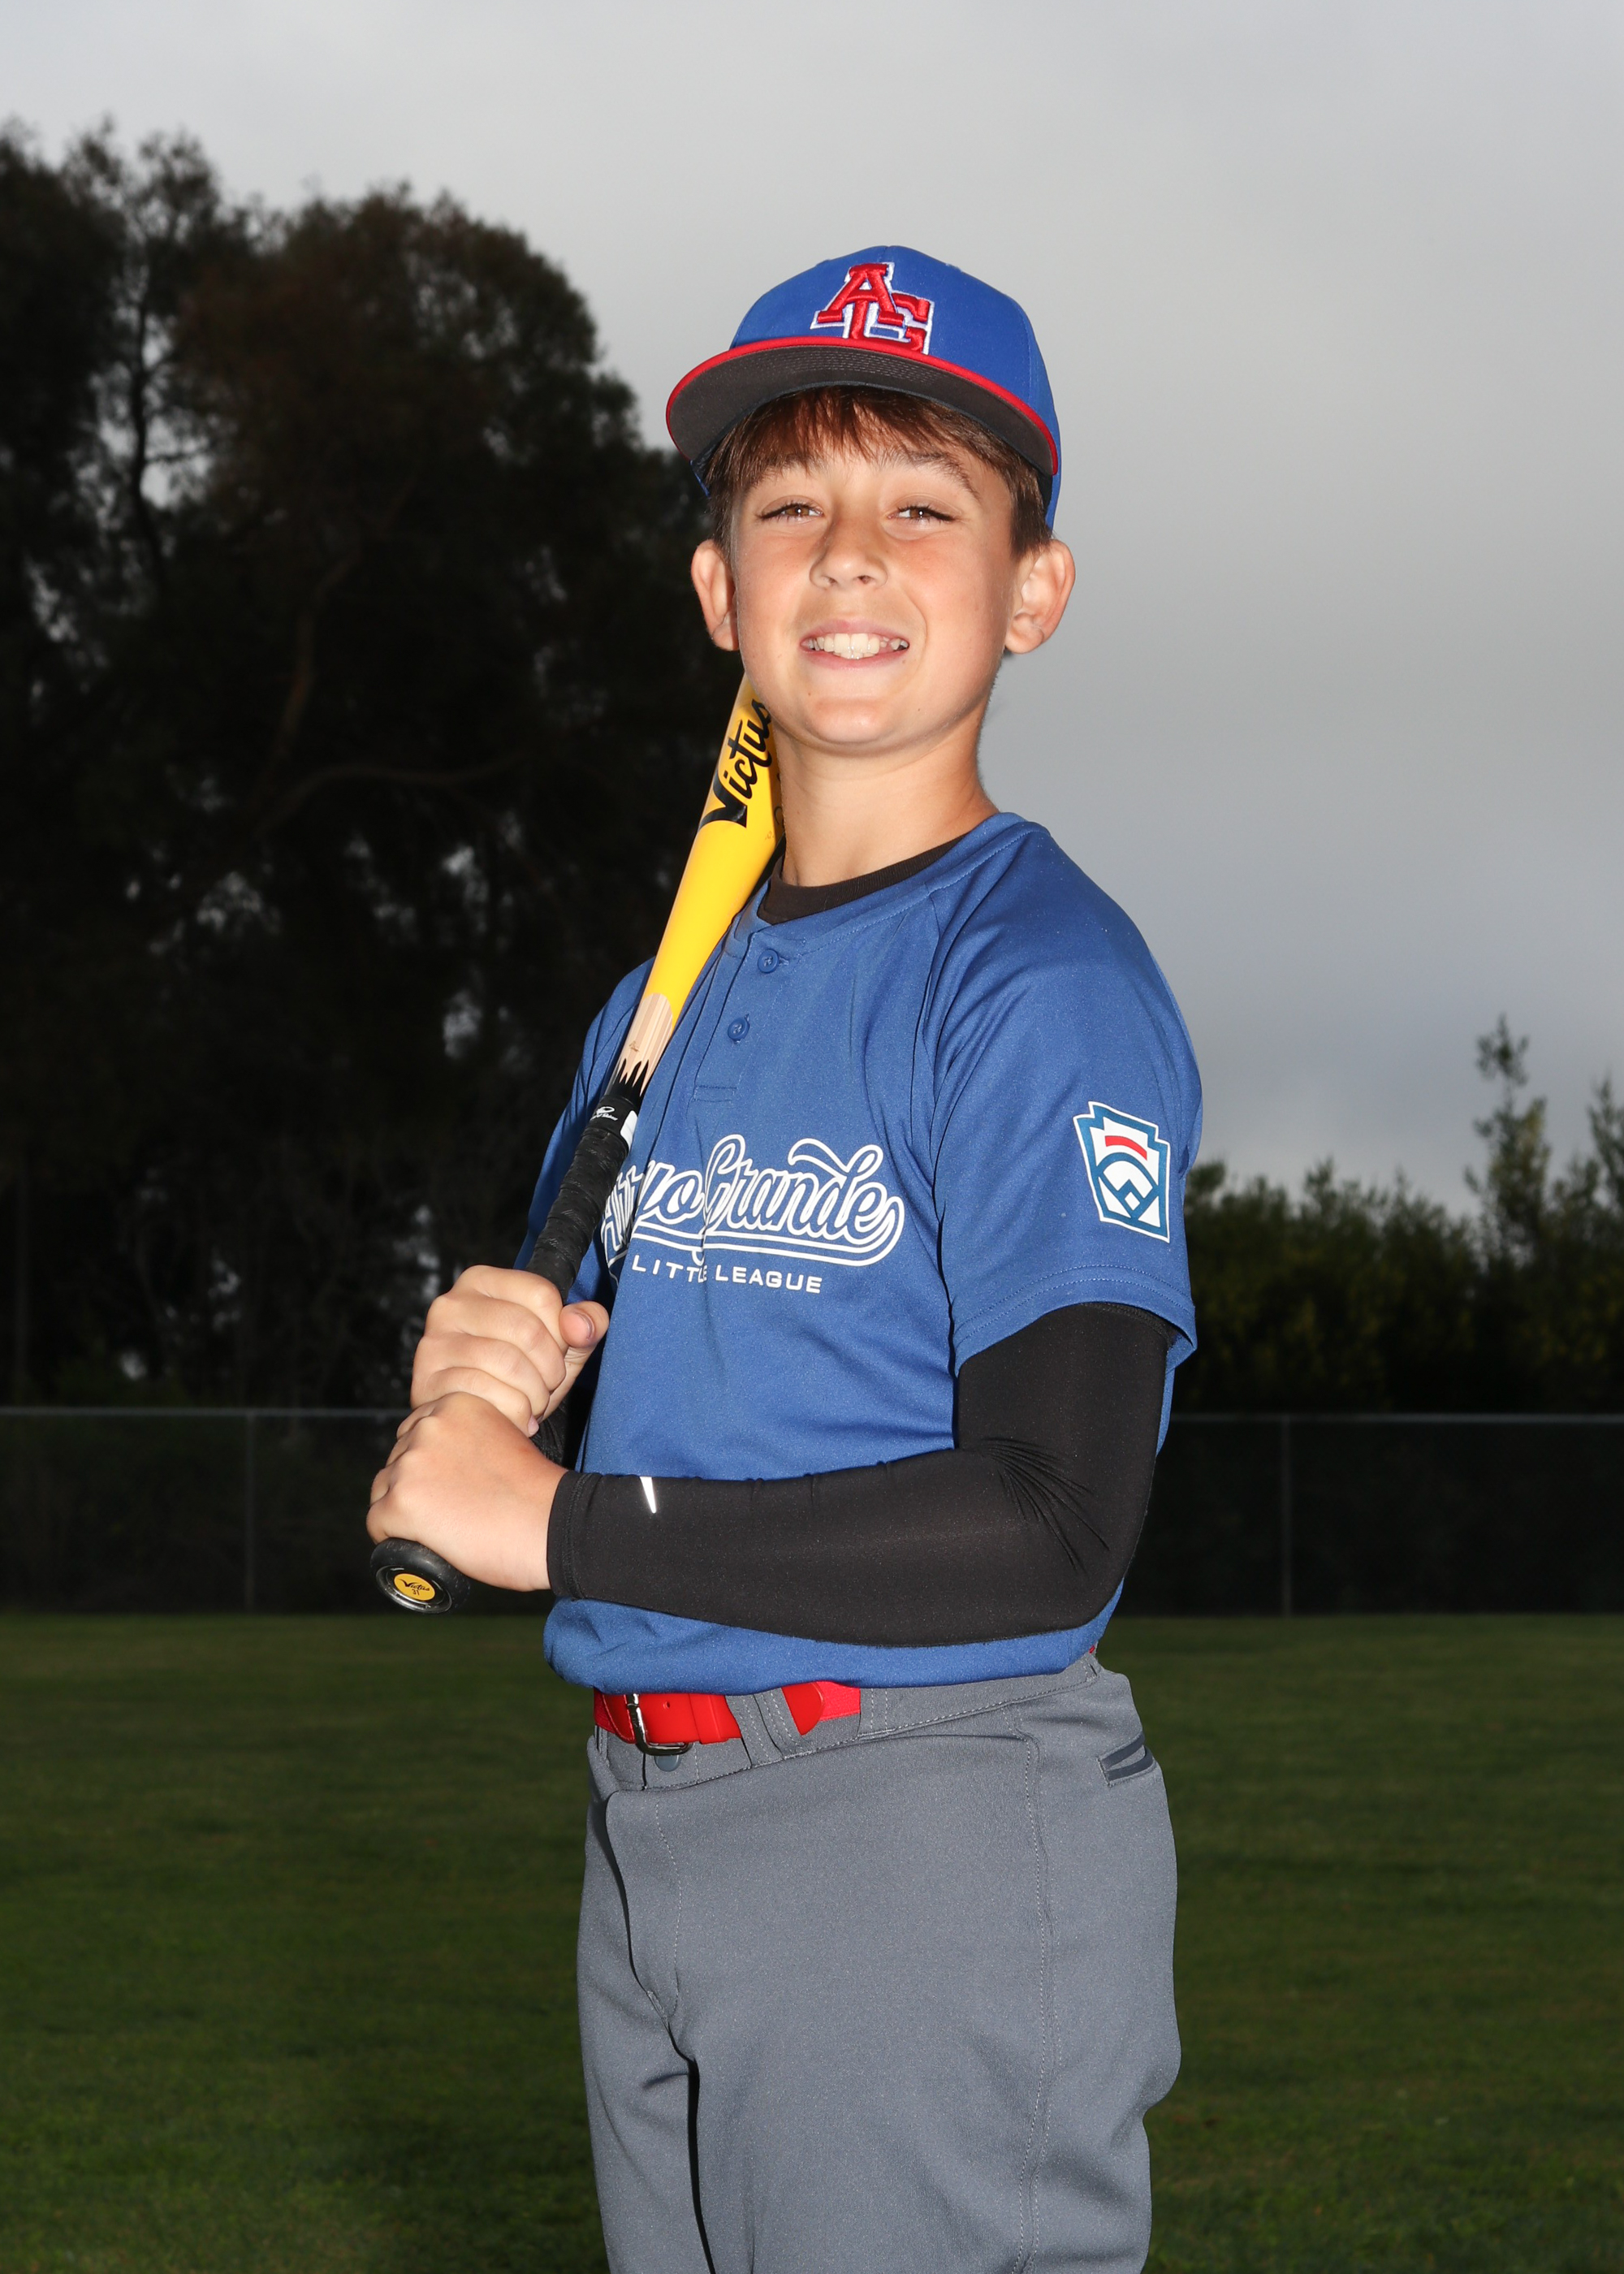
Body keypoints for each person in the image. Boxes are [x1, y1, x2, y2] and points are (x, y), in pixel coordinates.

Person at [368, 246, 1201, 2274]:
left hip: (921, 1831)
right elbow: (640, 1375)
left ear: (1032, 591)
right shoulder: (661, 1001)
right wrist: (496, 1360)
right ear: (717, 592)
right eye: (789, 504)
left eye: (924, 505)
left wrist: (554, 1517)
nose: (849, 553)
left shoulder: (1038, 980)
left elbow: (1055, 1518)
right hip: (650, 1821)